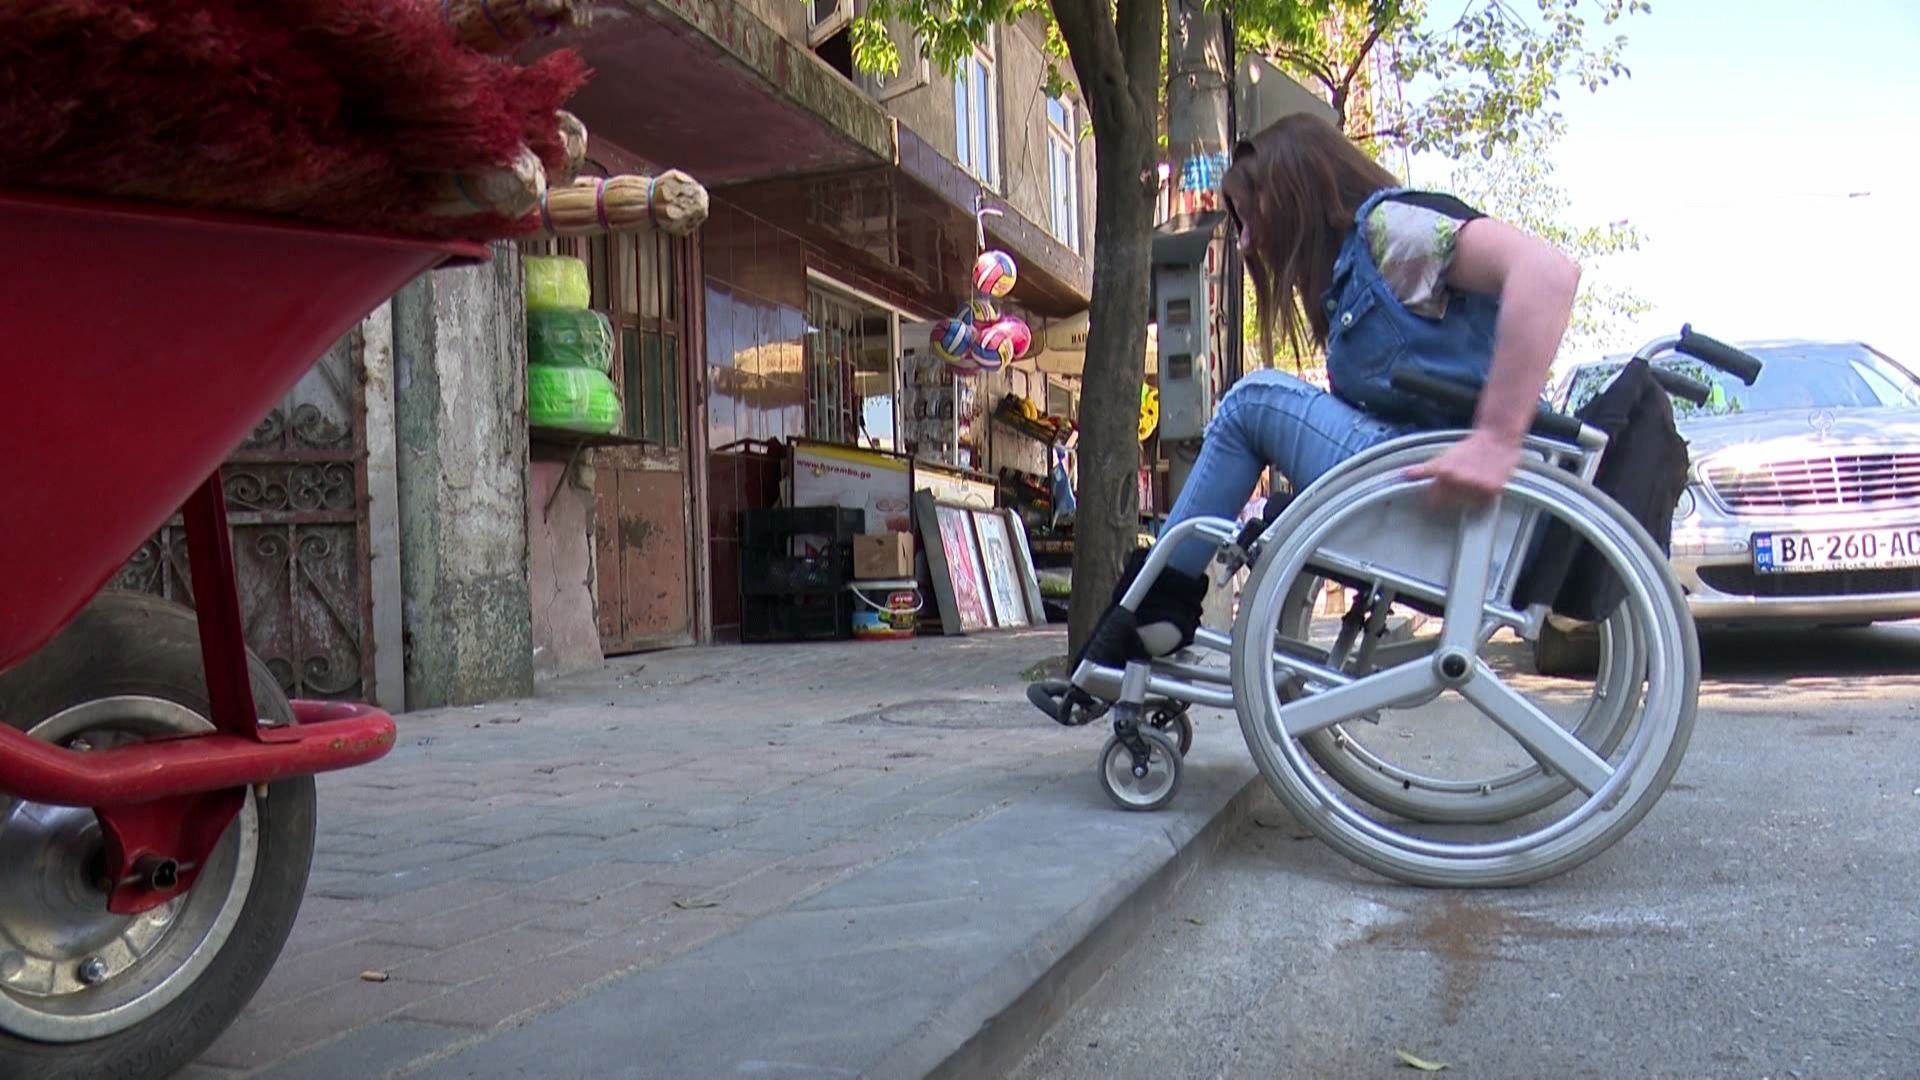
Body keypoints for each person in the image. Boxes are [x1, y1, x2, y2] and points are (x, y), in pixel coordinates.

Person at [1059, 112, 1583, 696]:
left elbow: (1547, 273)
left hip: (1445, 477)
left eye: (1248, 215)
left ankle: (1150, 607)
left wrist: (1497, 439)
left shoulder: (1390, 229)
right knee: (1261, 427)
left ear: (1293, 189)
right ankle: (1152, 606)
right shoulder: (1351, 274)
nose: (1246, 242)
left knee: (1251, 402)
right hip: (1421, 472)